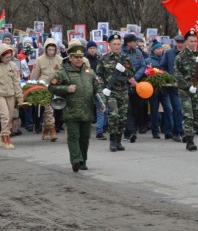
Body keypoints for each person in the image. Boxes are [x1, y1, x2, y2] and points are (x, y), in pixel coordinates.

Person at [49, 40, 104, 172]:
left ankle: (83, 160)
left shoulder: (89, 72)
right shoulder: (62, 72)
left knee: (85, 138)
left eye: (81, 57)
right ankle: (75, 160)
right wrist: (67, 89)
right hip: (71, 111)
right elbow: (51, 87)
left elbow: (98, 89)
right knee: (73, 137)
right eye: (76, 57)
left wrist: (101, 103)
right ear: (70, 57)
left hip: (86, 110)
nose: (79, 59)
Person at [96, 34, 137, 152]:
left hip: (123, 91)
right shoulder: (104, 59)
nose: (116, 46)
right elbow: (99, 76)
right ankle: (112, 141)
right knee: (114, 115)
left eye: (118, 44)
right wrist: (103, 89)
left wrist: (124, 69)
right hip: (111, 91)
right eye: (114, 44)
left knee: (123, 117)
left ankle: (119, 141)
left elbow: (131, 74)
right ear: (109, 45)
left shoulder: (126, 58)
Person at [174, 30, 198, 151]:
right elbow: (177, 73)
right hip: (185, 90)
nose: (193, 43)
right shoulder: (180, 56)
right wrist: (187, 85)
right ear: (186, 42)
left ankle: (191, 135)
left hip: (197, 89)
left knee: (195, 116)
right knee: (188, 115)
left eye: (195, 41)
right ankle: (190, 141)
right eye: (191, 41)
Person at [30, 38, 63, 141]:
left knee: (53, 110)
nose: (51, 52)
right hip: (44, 87)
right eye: (49, 49)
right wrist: (33, 86)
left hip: (57, 87)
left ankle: (45, 129)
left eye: (53, 49)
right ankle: (52, 130)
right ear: (46, 49)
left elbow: (63, 73)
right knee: (49, 109)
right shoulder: (39, 60)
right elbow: (35, 75)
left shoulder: (60, 59)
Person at [137, 41, 168, 139]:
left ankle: (168, 130)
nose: (160, 50)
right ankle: (155, 131)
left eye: (160, 48)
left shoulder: (164, 59)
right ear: (153, 50)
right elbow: (144, 74)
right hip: (153, 89)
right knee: (154, 111)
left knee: (168, 109)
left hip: (164, 88)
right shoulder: (148, 61)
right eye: (157, 49)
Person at [159, 34, 185, 142]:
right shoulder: (169, 53)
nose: (179, 44)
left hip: (186, 87)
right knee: (176, 109)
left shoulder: (190, 54)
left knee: (183, 111)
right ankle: (177, 132)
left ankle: (180, 131)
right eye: (178, 42)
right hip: (173, 87)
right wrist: (168, 78)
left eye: (181, 42)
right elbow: (162, 67)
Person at [121, 34, 146, 141]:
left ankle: (132, 130)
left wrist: (135, 78)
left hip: (137, 85)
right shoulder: (121, 53)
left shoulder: (138, 52)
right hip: (124, 85)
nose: (136, 43)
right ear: (128, 43)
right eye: (134, 41)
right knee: (128, 109)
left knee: (137, 108)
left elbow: (143, 65)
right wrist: (129, 78)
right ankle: (130, 132)